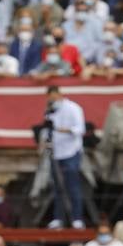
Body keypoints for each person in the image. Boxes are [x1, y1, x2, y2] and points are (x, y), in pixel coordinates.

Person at [44, 87, 86, 230]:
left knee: (73, 186)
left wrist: (62, 129)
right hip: (56, 152)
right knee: (57, 188)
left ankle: (77, 218)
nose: (52, 100)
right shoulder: (50, 112)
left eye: (54, 97)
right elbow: (47, 130)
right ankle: (58, 218)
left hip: (71, 152)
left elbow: (80, 129)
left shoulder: (74, 108)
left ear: (60, 95)